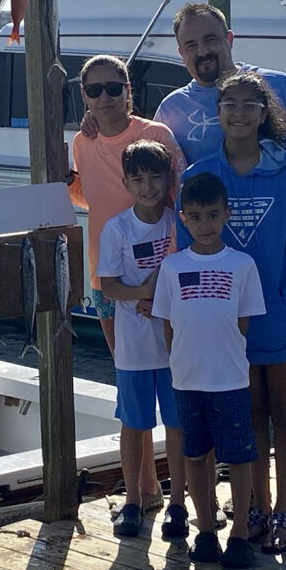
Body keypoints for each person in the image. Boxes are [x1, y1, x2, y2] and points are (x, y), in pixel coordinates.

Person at [156, 2, 286, 531]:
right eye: (191, 44)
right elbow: (144, 161)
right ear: (180, 53)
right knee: (240, 400)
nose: (203, 51)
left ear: (230, 36)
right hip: (220, 291)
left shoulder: (278, 88)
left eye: (211, 39)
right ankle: (251, 499)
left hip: (283, 272)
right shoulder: (172, 109)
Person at [178, 71, 286, 553]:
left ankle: (283, 511)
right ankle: (255, 507)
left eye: (249, 105)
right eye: (229, 105)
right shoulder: (201, 178)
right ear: (217, 112)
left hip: (282, 322)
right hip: (227, 331)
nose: (238, 114)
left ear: (265, 114)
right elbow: (185, 255)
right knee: (250, 418)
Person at [68, 54, 188, 517]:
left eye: (113, 88)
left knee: (176, 388)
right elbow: (85, 194)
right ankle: (144, 494)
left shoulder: (155, 137)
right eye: (94, 90)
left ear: (128, 89)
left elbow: (180, 202)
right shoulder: (81, 140)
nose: (104, 98)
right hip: (108, 275)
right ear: (84, 95)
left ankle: (181, 494)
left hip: (164, 277)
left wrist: (164, 282)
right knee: (130, 380)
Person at [152, 171, 266, 569]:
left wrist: (223, 357)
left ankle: (238, 535)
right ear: (183, 218)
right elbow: (168, 323)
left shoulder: (242, 264)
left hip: (230, 380)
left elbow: (243, 323)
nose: (205, 224)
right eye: (196, 216)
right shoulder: (172, 267)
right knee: (196, 456)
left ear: (226, 215)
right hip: (187, 380)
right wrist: (182, 363)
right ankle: (205, 530)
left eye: (213, 215)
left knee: (238, 455)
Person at [97, 140, 188, 540]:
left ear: (168, 180)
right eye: (139, 179)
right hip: (134, 348)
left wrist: (164, 301)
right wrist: (146, 294)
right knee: (134, 424)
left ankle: (179, 502)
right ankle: (133, 499)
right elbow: (110, 288)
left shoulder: (178, 223)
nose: (148, 186)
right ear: (126, 183)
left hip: (175, 348)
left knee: (178, 424)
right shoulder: (116, 228)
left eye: (155, 177)